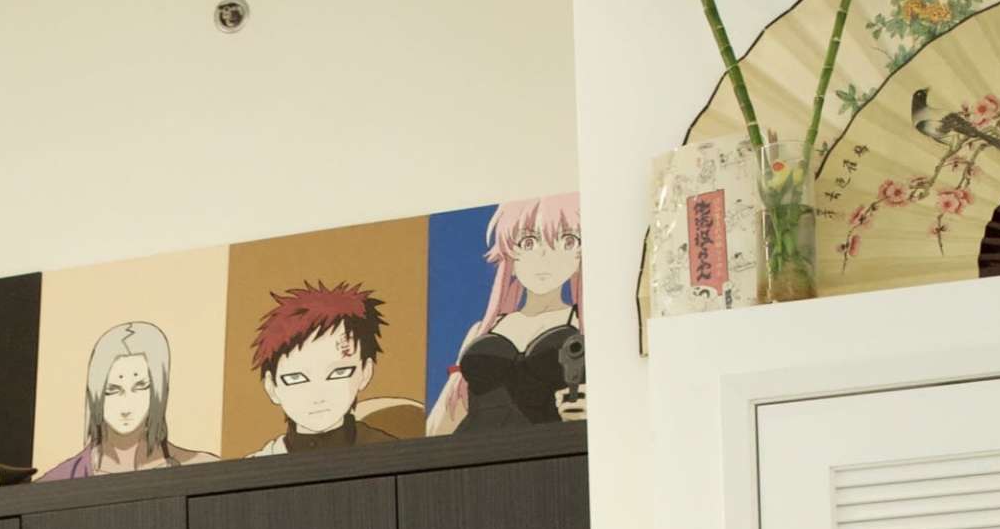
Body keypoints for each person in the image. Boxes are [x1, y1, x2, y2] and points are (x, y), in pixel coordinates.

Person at [427, 194, 588, 433]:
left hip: (545, 450)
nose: (544, 258)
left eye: (567, 241)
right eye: (529, 243)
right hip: (478, 449)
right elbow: (438, 428)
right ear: (509, 253)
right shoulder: (482, 330)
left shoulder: (583, 326)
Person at [34, 319, 217, 479]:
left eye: (140, 387)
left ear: (158, 391)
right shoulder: (60, 480)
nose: (126, 405)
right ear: (96, 395)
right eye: (112, 390)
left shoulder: (202, 468)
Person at [248, 281, 410, 455]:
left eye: (338, 373)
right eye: (296, 378)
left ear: (365, 372)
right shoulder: (259, 463)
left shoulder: (390, 453)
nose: (318, 396)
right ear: (271, 387)